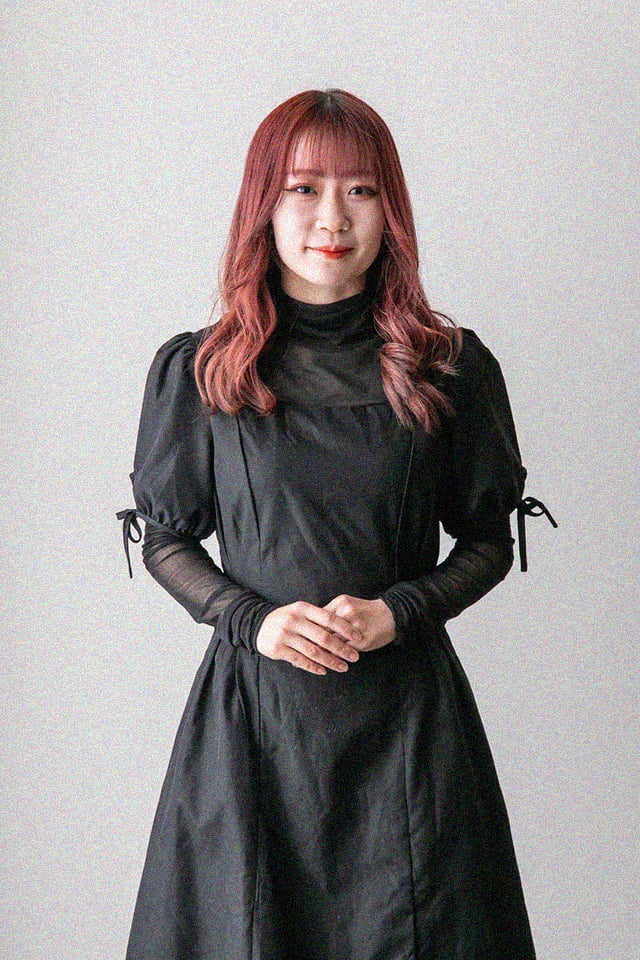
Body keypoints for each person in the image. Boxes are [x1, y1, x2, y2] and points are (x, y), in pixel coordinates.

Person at [117, 88, 555, 960]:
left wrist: (401, 610)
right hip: (254, 731)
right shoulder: (203, 370)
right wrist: (252, 620)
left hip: (408, 729)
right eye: (304, 188)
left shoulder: (448, 367)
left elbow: (486, 540)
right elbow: (167, 538)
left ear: (391, 210)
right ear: (263, 203)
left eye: (360, 190)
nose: (333, 218)